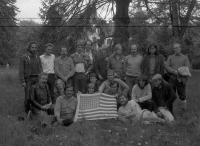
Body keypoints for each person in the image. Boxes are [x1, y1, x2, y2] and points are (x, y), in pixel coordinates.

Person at [165, 42, 190, 111]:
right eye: (174, 48)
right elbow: (167, 66)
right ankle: (169, 109)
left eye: (177, 48)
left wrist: (179, 72)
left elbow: (187, 68)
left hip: (181, 79)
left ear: (180, 48)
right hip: (172, 78)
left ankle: (183, 109)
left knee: (182, 95)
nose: (175, 49)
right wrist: (173, 71)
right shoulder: (170, 57)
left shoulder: (185, 58)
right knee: (170, 94)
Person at [19, 41, 42, 113]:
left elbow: (40, 68)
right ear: (29, 48)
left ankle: (35, 111)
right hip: (28, 79)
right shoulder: (24, 57)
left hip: (37, 78)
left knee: (37, 95)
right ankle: (27, 112)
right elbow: (21, 70)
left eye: (35, 47)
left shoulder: (37, 57)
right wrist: (23, 81)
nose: (34, 49)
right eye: (32, 47)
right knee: (28, 97)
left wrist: (41, 77)